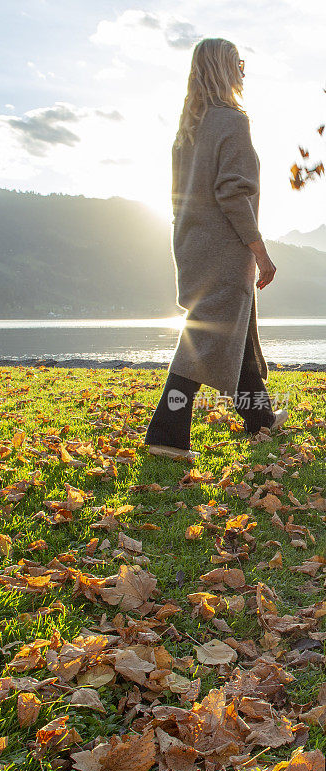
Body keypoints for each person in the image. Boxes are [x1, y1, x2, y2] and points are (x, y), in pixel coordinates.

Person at [145, 38, 288, 463]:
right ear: (224, 70)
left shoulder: (188, 128)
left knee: (235, 331)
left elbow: (177, 199)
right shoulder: (231, 121)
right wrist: (260, 251)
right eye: (238, 63)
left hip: (192, 245)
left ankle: (259, 418)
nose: (243, 70)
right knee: (202, 340)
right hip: (225, 249)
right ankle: (167, 433)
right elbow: (233, 194)